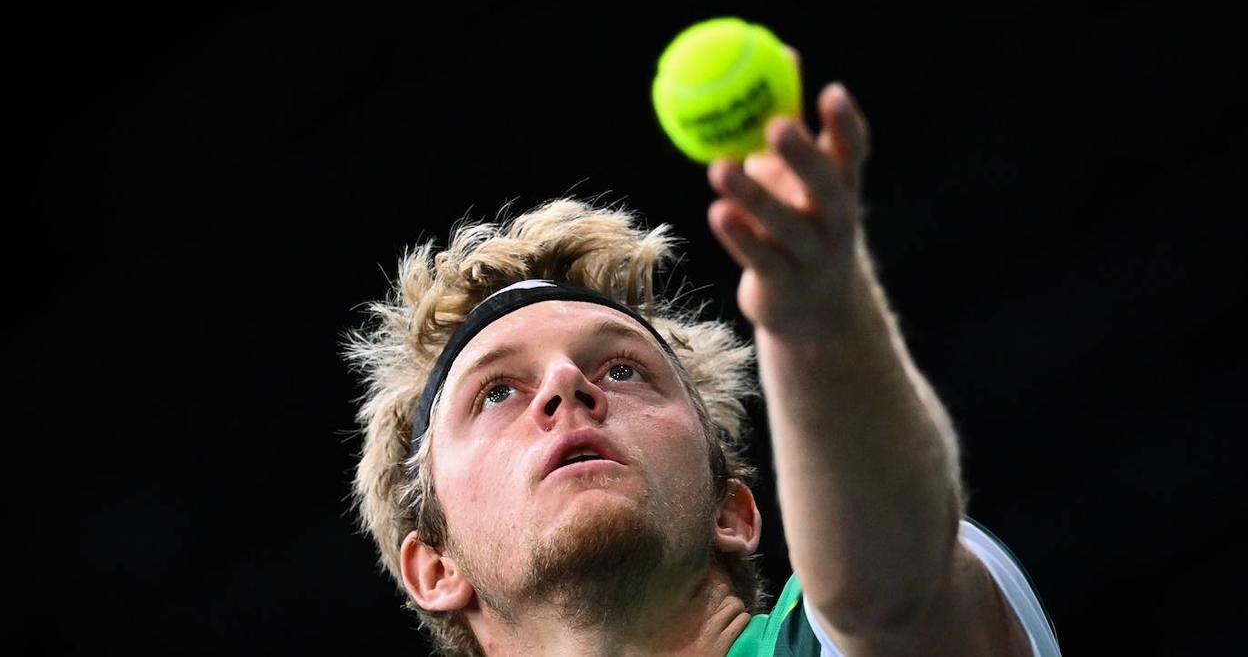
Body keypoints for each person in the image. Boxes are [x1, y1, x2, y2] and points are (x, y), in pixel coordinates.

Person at [343, 77, 1063, 656]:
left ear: (732, 511)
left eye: (623, 370)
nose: (568, 385)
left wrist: (817, 317)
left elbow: (896, 599)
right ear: (435, 568)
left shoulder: (825, 638)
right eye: (497, 391)